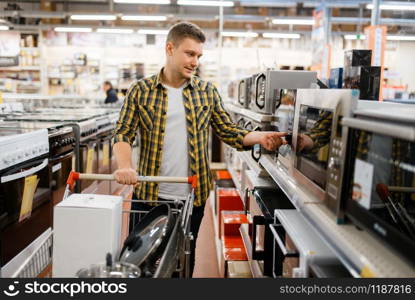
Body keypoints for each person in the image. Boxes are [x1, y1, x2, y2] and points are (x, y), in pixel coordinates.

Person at [112, 22, 286, 277]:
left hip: (192, 197)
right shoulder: (141, 90)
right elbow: (123, 133)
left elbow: (229, 131)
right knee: (139, 266)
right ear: (170, 48)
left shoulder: (206, 91)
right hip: (149, 194)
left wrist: (260, 137)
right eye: (190, 54)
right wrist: (125, 166)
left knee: (183, 264)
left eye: (198, 56)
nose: (195, 61)